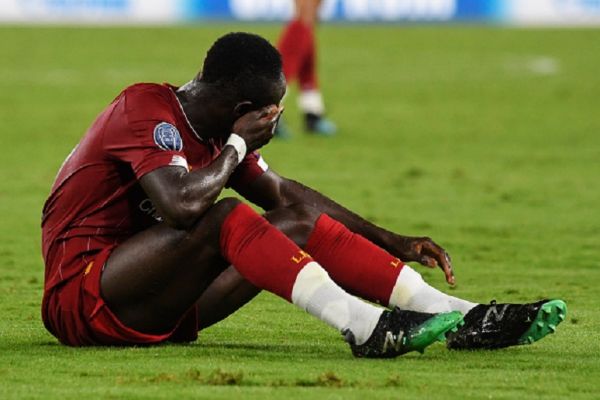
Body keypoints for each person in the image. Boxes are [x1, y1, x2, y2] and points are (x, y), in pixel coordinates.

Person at [41, 32, 566, 357]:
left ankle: (461, 317)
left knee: (293, 219)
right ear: (241, 106)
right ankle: (363, 327)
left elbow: (285, 194)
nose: (272, 122)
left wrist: (391, 240)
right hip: (82, 296)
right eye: (268, 113)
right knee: (224, 216)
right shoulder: (145, 110)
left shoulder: (217, 130)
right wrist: (239, 144)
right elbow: (181, 206)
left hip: (160, 300)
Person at [276, 0, 336, 137]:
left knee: (307, 70)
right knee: (286, 68)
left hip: (305, 24)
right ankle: (268, 115)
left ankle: (313, 114)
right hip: (301, 25)